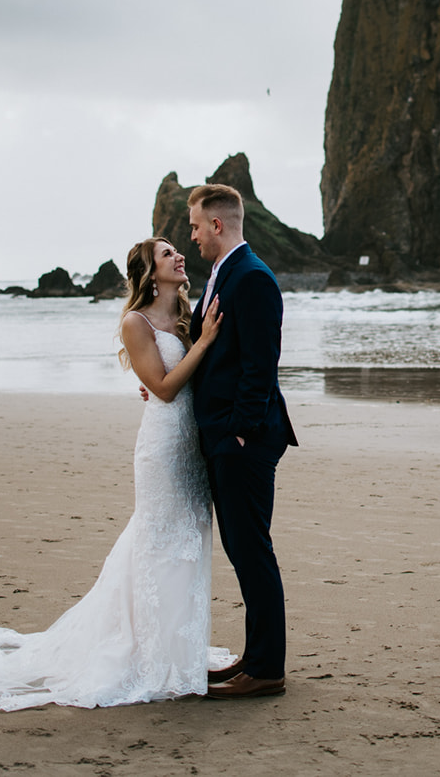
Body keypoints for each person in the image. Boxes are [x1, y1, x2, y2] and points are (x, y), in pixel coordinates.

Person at [0, 237, 232, 710]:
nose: (178, 255)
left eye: (178, 249)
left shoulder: (184, 318)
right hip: (162, 446)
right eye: (166, 253)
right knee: (158, 541)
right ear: (151, 274)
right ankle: (151, 656)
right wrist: (203, 345)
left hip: (190, 448)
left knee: (187, 541)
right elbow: (166, 388)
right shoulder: (135, 322)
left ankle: (178, 651)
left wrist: (201, 344)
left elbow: (190, 379)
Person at [185, 183, 299, 700]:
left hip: (244, 440)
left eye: (194, 226)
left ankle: (267, 669)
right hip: (227, 436)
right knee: (241, 547)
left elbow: (260, 364)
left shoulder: (252, 278)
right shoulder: (222, 274)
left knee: (252, 550)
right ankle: (253, 659)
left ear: (217, 225)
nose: (191, 237)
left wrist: (239, 432)